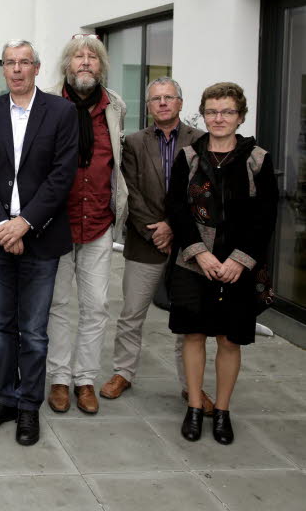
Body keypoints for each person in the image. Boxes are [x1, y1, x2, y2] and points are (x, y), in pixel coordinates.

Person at [0, 40, 78, 446]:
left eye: (24, 63)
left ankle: (29, 406)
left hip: (41, 237)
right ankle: (4, 399)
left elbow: (62, 175)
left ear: (37, 67)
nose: (17, 69)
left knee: (33, 331)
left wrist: (25, 224)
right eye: (10, 63)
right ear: (3, 69)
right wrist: (1, 225)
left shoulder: (62, 112)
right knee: (1, 327)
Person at [167, 82, 278, 445]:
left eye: (227, 112)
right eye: (212, 111)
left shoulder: (257, 159)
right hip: (193, 263)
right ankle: (196, 407)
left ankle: (223, 411)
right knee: (194, 335)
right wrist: (199, 252)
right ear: (203, 114)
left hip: (238, 267)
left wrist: (238, 261)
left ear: (240, 116)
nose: (219, 118)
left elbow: (265, 217)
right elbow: (177, 209)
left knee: (229, 340)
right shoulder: (188, 156)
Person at [100, 77, 214, 413]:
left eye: (169, 97)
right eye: (155, 99)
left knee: (189, 319)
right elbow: (128, 192)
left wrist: (174, 228)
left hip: (190, 245)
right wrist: (156, 230)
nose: (162, 103)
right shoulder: (134, 143)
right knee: (131, 313)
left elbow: (204, 194)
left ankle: (189, 385)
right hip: (145, 240)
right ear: (148, 107)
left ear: (180, 102)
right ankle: (123, 372)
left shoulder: (202, 141)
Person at [45, 35, 128, 416]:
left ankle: (85, 380)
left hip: (98, 221)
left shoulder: (115, 107)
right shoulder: (47, 105)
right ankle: (60, 378)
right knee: (59, 304)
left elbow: (116, 163)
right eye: (78, 56)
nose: (85, 62)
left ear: (101, 66)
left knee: (96, 307)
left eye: (92, 57)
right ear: (66, 65)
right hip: (56, 223)